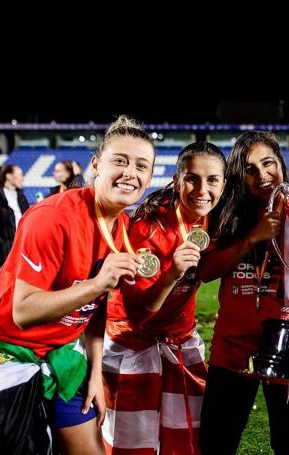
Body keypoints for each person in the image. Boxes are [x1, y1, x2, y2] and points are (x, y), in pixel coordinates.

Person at [0, 115, 155, 455]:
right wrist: (98, 283)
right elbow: (22, 312)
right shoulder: (52, 217)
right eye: (120, 161)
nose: (131, 173)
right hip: (1, 355)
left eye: (142, 165)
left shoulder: (124, 229)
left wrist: (97, 373)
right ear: (96, 165)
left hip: (60, 355)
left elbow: (95, 311)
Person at [102, 142, 226, 454]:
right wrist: (172, 272)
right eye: (192, 179)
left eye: (212, 180)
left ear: (224, 185)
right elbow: (139, 314)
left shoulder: (214, 219)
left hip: (180, 340)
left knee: (184, 441)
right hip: (131, 342)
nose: (202, 190)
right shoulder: (147, 228)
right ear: (176, 180)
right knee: (130, 445)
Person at [199, 131, 289, 455]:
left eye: (268, 163)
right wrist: (252, 237)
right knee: (217, 442)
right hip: (232, 348)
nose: (262, 175)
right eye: (250, 169)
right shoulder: (224, 214)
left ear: (281, 164)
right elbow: (206, 272)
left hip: (288, 349)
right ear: (238, 174)